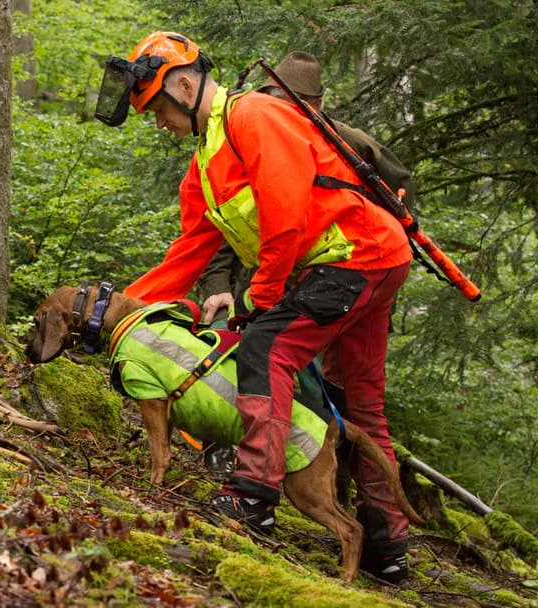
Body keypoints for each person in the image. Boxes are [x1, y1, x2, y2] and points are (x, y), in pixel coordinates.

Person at [94, 32, 414, 584]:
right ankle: (388, 548)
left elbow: (286, 215)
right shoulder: (202, 168)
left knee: (264, 347)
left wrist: (257, 299)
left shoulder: (255, 116)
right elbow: (186, 256)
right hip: (365, 261)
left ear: (186, 85)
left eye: (158, 110)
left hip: (358, 254)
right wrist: (114, 312)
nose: (158, 123)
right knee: (357, 402)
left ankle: (252, 498)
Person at [199, 51, 416, 331]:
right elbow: (227, 223)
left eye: (290, 106)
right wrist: (218, 286)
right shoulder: (243, 137)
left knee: (346, 369)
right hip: (266, 287)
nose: (280, 113)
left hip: (344, 278)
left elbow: (398, 202)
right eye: (273, 102)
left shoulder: (349, 143)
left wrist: (376, 282)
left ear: (316, 104)